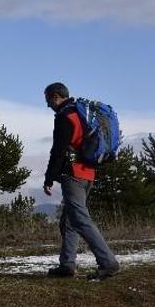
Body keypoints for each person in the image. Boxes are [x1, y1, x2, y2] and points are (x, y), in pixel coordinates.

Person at [43, 83, 119, 279]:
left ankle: (108, 262)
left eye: (48, 99)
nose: (47, 104)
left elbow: (58, 151)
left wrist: (49, 178)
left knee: (80, 219)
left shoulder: (65, 117)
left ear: (56, 97)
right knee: (70, 220)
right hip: (88, 173)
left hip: (73, 175)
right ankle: (67, 264)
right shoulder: (82, 114)